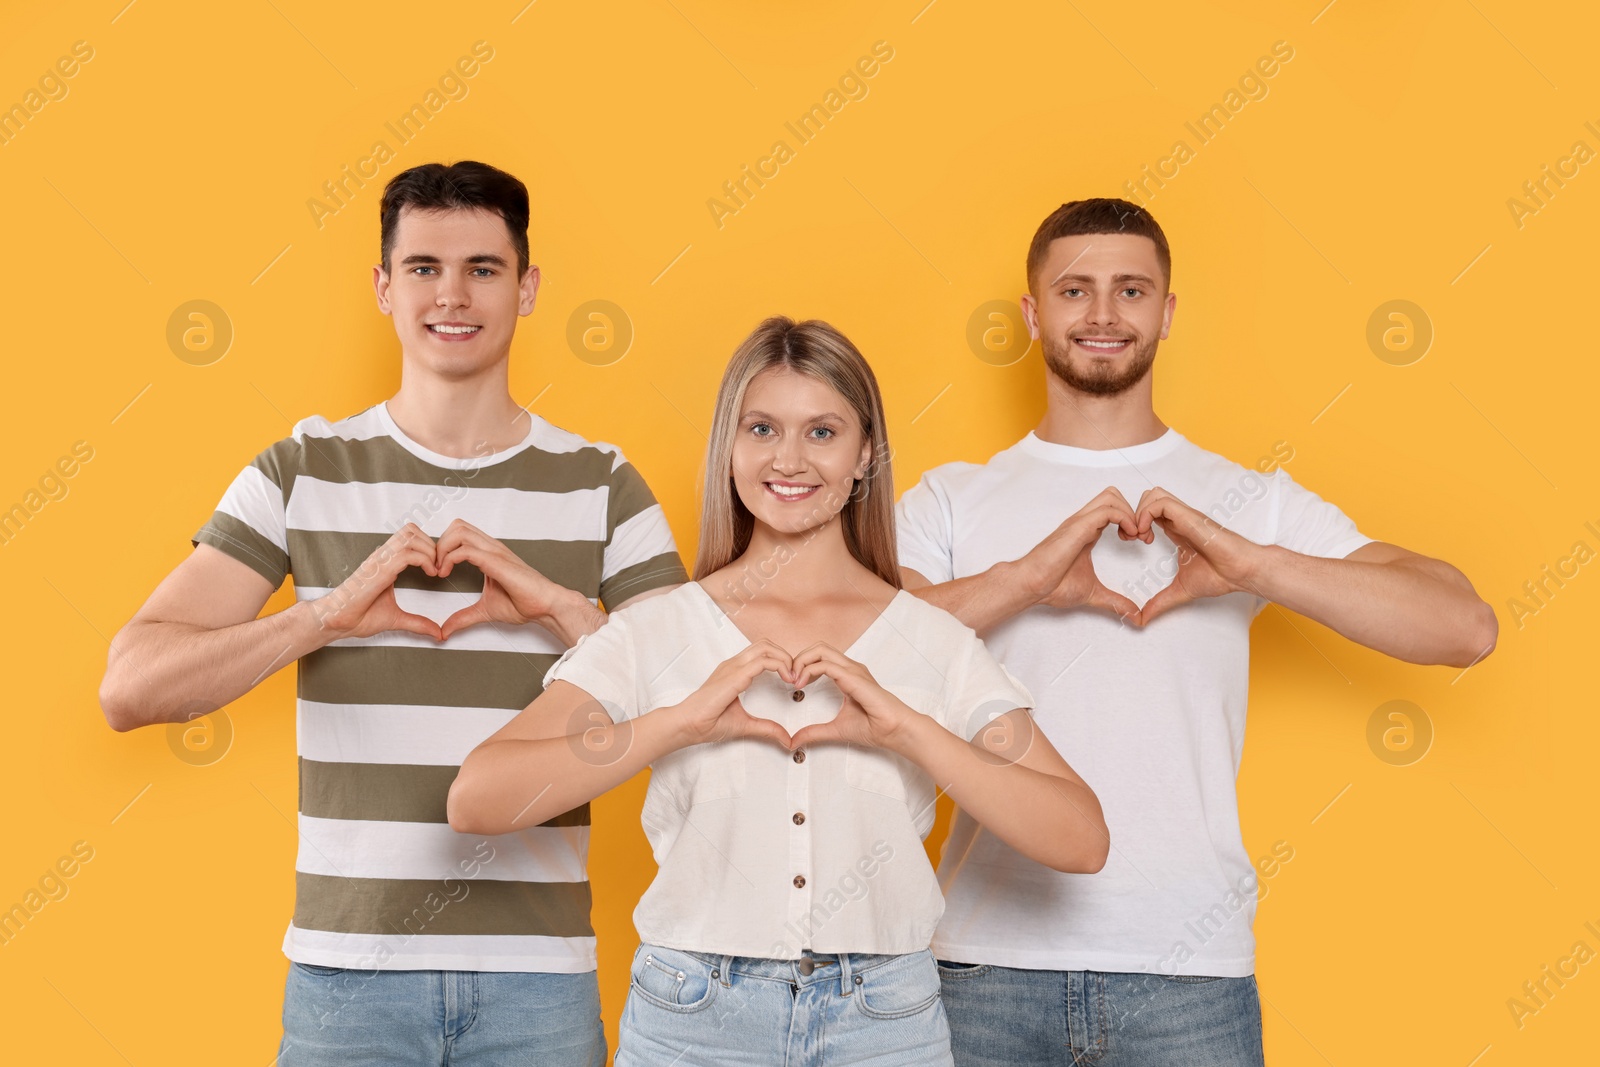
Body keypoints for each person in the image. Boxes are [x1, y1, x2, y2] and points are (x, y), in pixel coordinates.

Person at [97, 160, 688, 1065]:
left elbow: (695, 704)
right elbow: (130, 687)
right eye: (423, 267)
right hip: (348, 981)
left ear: (527, 288)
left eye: (484, 268)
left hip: (538, 981)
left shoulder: (603, 483)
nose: (452, 294)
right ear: (382, 286)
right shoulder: (301, 469)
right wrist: (323, 618)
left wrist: (560, 606)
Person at [894, 197, 1499, 1066]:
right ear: (1032, 315)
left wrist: (1255, 566)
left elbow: (1462, 625)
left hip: (1190, 977)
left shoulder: (1251, 500)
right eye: (1075, 290)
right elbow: (871, 652)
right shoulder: (951, 500)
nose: (1103, 314)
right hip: (984, 970)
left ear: (1167, 313)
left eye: (1131, 289)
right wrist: (1024, 584)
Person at [447, 315, 1109, 1066]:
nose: (789, 458)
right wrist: (679, 723)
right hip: (690, 1018)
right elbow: (478, 798)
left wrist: (907, 730)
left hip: (885, 1020)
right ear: (729, 448)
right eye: (762, 427)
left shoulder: (930, 637)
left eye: (822, 432)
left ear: (866, 454)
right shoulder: (658, 629)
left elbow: (1081, 837)